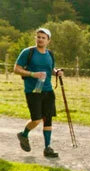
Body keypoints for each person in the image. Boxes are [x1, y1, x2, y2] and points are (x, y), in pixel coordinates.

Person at [13, 27, 63, 158]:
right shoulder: (28, 52)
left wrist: (57, 72)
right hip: (33, 91)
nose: (40, 39)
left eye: (43, 38)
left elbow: (50, 69)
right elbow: (16, 69)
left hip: (48, 90)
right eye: (38, 37)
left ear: (48, 40)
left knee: (48, 119)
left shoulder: (50, 54)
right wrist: (32, 74)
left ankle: (47, 148)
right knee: (36, 119)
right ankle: (23, 135)